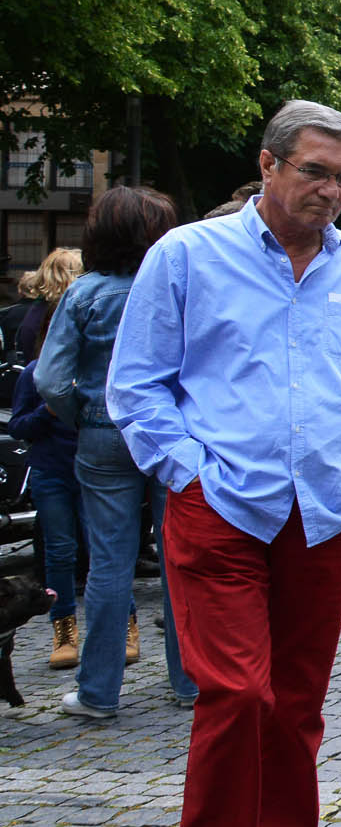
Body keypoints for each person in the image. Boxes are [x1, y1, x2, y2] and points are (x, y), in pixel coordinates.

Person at [106, 101, 341, 827]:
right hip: (223, 507)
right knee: (236, 692)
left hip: (328, 509)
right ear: (269, 165)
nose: (332, 191)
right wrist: (186, 472)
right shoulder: (188, 255)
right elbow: (137, 384)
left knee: (297, 700)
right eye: (315, 171)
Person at [38, 187, 195, 719]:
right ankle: (190, 682)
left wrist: (80, 415)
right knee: (181, 559)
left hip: (104, 434)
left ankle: (98, 692)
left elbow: (51, 378)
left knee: (109, 564)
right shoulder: (180, 286)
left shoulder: (83, 294)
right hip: (173, 433)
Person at [12, 247, 84, 668]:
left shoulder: (97, 371)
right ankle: (64, 633)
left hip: (93, 467)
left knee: (110, 551)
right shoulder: (35, 372)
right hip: (53, 470)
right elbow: (21, 426)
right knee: (59, 551)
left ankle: (124, 629)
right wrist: (49, 410)